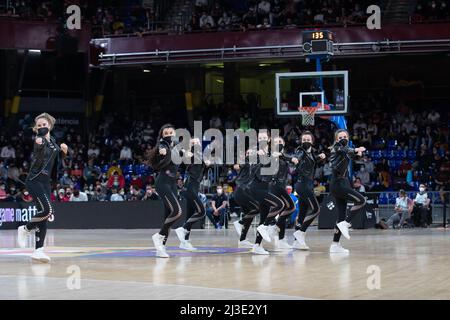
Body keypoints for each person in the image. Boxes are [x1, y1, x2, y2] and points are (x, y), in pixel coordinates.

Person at [17, 113, 69, 263]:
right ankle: (25, 229)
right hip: (34, 180)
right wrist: (39, 145)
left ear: (50, 126)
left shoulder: (53, 142)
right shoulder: (39, 141)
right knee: (48, 210)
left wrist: (63, 153)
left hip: (46, 182)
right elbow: (39, 156)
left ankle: (38, 251)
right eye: (38, 125)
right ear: (36, 128)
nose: (41, 127)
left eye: (44, 125)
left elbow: (56, 161)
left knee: (44, 216)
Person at [246, 130, 284, 255]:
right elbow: (255, 170)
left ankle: (257, 245)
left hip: (266, 187)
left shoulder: (271, 151)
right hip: (256, 188)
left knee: (264, 215)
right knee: (279, 205)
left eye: (264, 137)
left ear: (268, 139)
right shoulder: (255, 152)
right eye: (260, 137)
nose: (262, 139)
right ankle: (265, 227)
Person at [328, 129, 366, 254]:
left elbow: (350, 154)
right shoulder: (336, 147)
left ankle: (335, 244)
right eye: (340, 137)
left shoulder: (346, 149)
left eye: (345, 136)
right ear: (336, 140)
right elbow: (345, 151)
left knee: (340, 216)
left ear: (348, 138)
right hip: (338, 184)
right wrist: (356, 150)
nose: (343, 138)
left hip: (343, 182)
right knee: (361, 200)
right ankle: (346, 223)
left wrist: (357, 154)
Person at [149, 124, 183, 258]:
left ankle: (160, 248)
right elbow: (161, 149)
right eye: (166, 133)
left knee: (168, 216)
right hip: (163, 182)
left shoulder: (175, 145)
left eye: (171, 132)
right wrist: (162, 151)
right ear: (162, 136)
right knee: (177, 211)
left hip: (172, 183)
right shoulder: (163, 145)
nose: (169, 134)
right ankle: (159, 236)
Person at [291, 131, 326, 250]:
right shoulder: (301, 150)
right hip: (303, 186)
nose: (306, 142)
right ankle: (300, 232)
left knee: (302, 214)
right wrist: (295, 159)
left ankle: (297, 242)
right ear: (301, 141)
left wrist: (320, 157)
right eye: (304, 140)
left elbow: (313, 162)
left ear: (312, 141)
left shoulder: (312, 153)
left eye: (308, 140)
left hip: (306, 185)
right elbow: (299, 156)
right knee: (316, 209)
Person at [175, 138, 208, 250]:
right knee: (201, 212)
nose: (198, 144)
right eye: (196, 142)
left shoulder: (199, 155)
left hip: (194, 187)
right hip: (190, 188)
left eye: (199, 142)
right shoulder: (189, 154)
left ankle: (184, 241)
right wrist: (187, 147)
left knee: (190, 215)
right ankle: (183, 229)